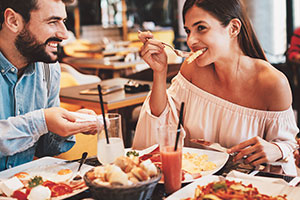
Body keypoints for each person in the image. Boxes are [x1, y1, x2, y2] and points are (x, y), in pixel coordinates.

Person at [132, 0, 299, 175]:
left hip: (243, 189)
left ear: (233, 28)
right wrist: (160, 72)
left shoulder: (272, 83)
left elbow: (288, 146)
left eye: (201, 28)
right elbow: (162, 124)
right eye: (188, 31)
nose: (191, 40)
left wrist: (276, 149)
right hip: (192, 185)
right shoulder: (192, 69)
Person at [0, 0, 100, 171]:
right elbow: (39, 123)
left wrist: (67, 124)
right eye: (53, 22)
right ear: (13, 21)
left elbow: (45, 149)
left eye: (64, 22)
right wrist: (41, 121)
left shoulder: (48, 69)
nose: (64, 34)